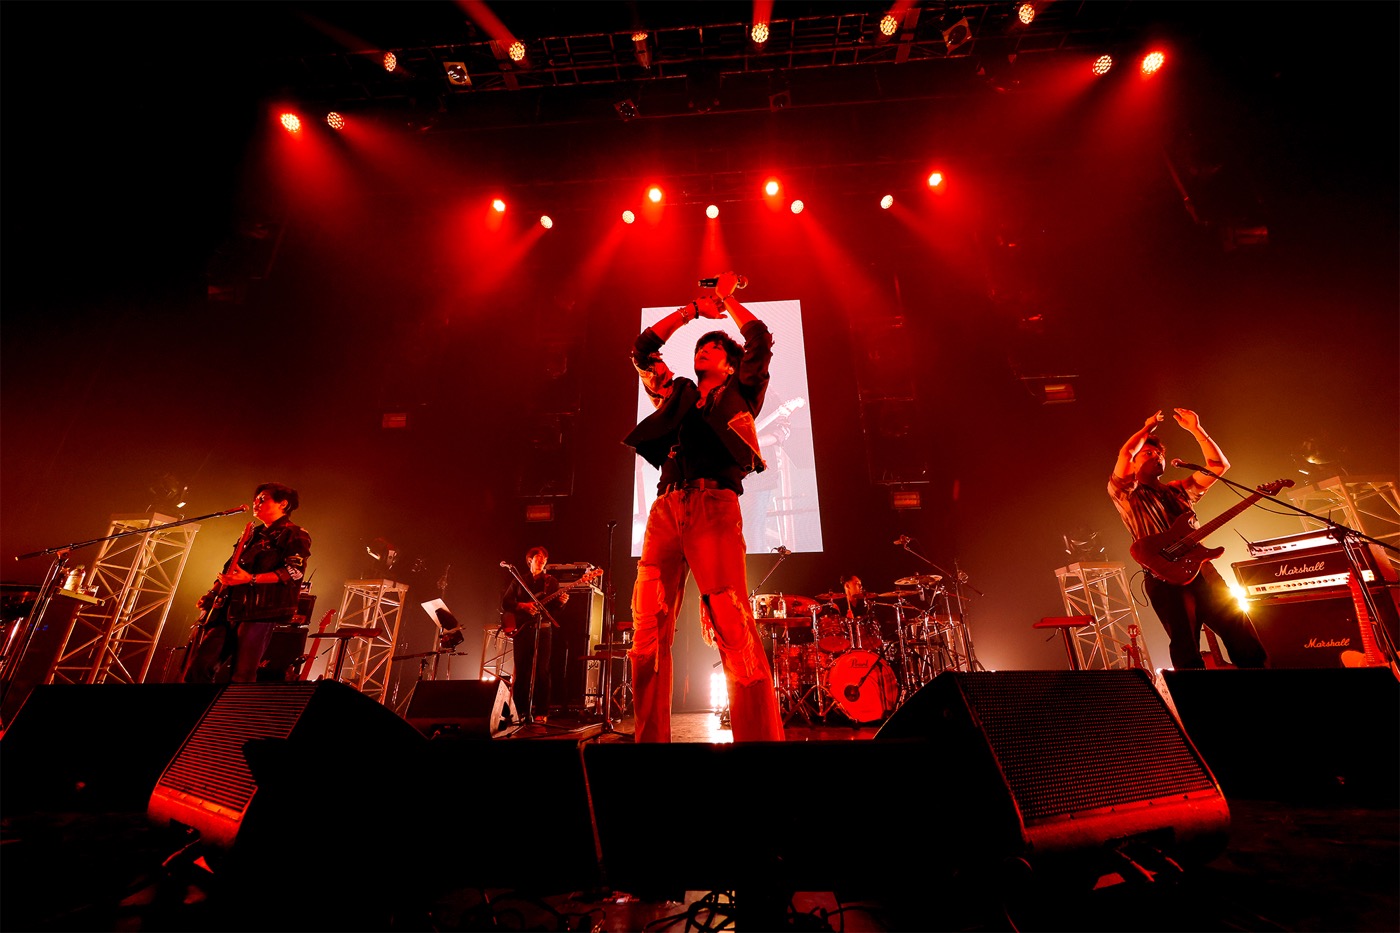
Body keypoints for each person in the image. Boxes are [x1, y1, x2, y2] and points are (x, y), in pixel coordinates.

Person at [624, 272, 785, 743]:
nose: (704, 350)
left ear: (732, 366)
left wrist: (726, 301)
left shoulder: (742, 392)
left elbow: (759, 339)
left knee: (732, 622)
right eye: (701, 347)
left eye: (714, 348)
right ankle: (649, 743)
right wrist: (693, 311)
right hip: (665, 510)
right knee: (647, 628)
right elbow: (642, 351)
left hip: (714, 505)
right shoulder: (676, 393)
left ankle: (759, 743)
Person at [1108, 409, 1268, 670]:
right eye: (1147, 453)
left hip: (1204, 571)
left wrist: (1196, 429)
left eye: (1159, 453)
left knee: (1241, 634)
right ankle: (1196, 694)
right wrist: (1147, 429)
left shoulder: (1178, 490)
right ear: (1134, 464)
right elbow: (1125, 453)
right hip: (1165, 576)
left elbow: (1218, 467)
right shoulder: (1126, 492)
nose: (1157, 456)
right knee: (1186, 646)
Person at [184, 482, 311, 684]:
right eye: (255, 499)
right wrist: (212, 593)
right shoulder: (252, 534)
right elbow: (230, 568)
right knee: (198, 668)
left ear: (283, 504)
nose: (255, 503)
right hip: (228, 609)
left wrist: (251, 579)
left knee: (242, 674)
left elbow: (294, 572)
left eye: (263, 499)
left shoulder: (294, 534)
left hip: (259, 613)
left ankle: (235, 705)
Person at [500, 546, 568, 723]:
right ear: (530, 560)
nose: (542, 561)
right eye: (538, 558)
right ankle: (519, 711)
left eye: (544, 559)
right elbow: (506, 603)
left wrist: (561, 603)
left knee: (542, 671)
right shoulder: (519, 580)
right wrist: (523, 606)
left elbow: (553, 610)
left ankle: (542, 711)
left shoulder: (551, 582)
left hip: (543, 629)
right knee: (521, 671)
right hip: (523, 630)